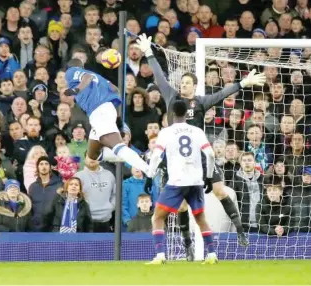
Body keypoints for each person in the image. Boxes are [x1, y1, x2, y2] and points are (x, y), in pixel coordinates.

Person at [136, 33, 267, 247]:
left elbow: (223, 93)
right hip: (176, 160)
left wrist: (243, 83)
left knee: (220, 191)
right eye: (183, 82)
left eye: (188, 83)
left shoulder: (201, 102)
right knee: (181, 207)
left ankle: (241, 232)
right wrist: (149, 52)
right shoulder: (172, 97)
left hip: (202, 158)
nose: (183, 85)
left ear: (195, 86)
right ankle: (187, 245)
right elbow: (159, 77)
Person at [145, 101, 217, 265]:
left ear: (171, 114)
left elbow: (156, 156)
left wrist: (150, 176)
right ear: (187, 113)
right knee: (200, 218)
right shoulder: (197, 131)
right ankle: (212, 255)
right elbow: (210, 155)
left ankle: (160, 256)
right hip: (196, 181)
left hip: (177, 182)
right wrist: (209, 177)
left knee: (157, 217)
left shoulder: (166, 132)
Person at [64, 58, 150, 175]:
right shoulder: (98, 77)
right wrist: (118, 119)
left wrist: (76, 89)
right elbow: (116, 90)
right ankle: (141, 156)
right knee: (93, 155)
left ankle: (147, 168)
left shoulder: (71, 71)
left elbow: (86, 78)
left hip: (99, 112)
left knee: (117, 146)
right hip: (106, 110)